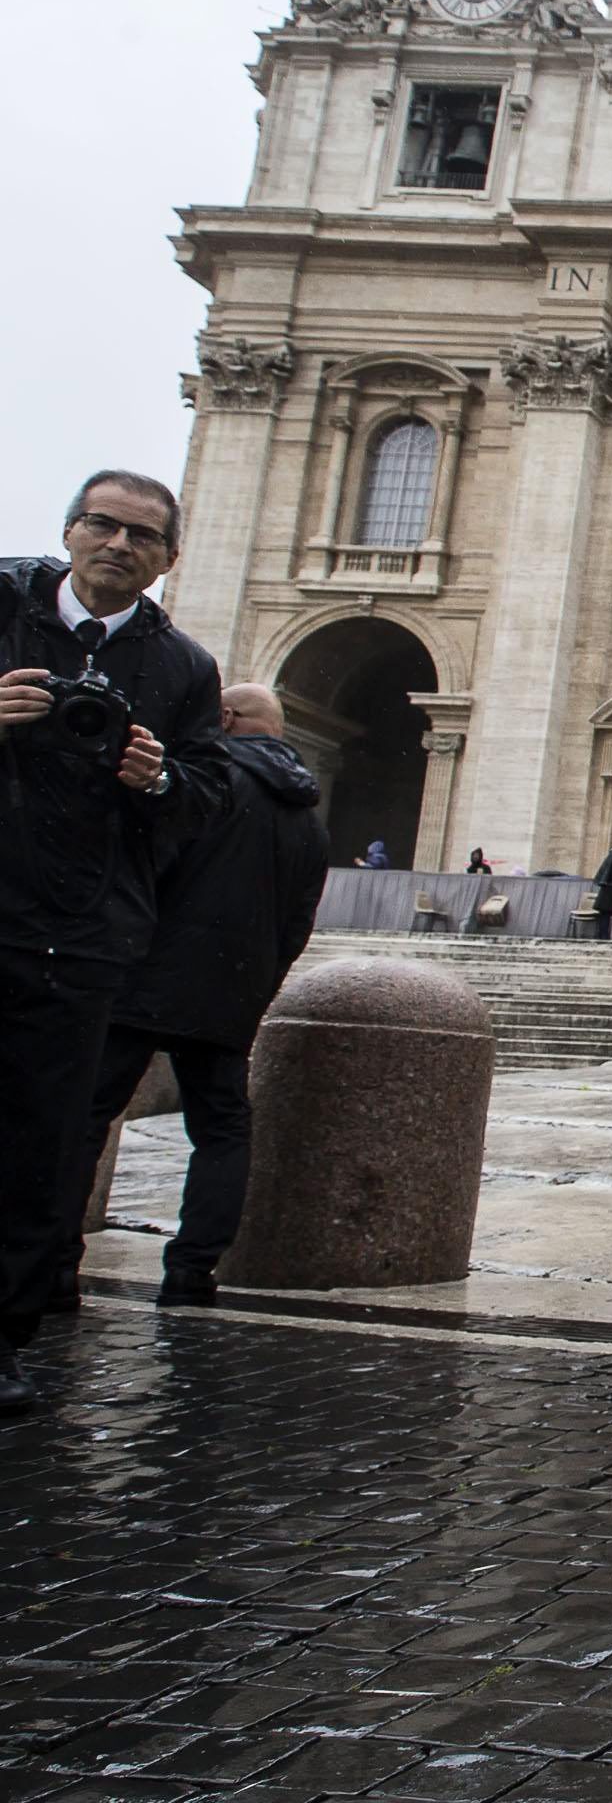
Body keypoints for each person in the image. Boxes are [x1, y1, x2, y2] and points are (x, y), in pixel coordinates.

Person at [0, 472, 229, 1416]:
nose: (119, 545)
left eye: (143, 535)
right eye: (103, 525)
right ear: (70, 530)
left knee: (41, 1145)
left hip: (80, 934)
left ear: (170, 558)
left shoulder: (181, 668)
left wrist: (163, 777)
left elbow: (211, 797)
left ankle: (5, 1333)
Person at [62, 684, 327, 1307]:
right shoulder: (308, 818)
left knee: (85, 1116)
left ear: (226, 718)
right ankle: (192, 1270)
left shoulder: (197, 783)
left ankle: (51, 1261)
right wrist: (258, 986)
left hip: (145, 976)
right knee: (222, 1131)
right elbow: (296, 926)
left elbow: (140, 870)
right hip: (231, 991)